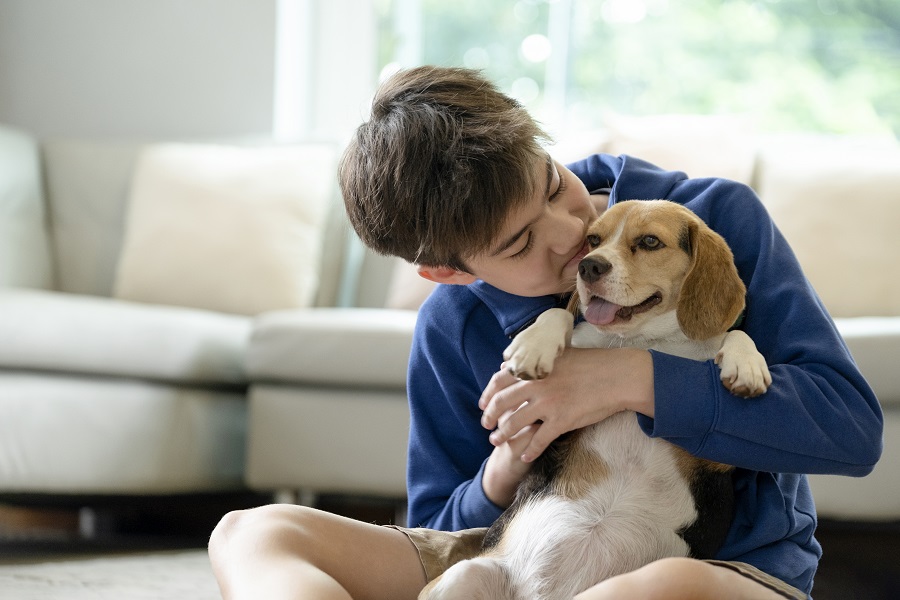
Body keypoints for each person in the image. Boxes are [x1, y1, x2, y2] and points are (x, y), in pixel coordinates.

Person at [208, 66, 883, 600]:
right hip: (515, 554)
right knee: (249, 531)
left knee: (662, 591)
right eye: (522, 241)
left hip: (713, 567)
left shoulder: (714, 217)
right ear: (449, 271)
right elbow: (441, 527)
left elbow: (851, 431)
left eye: (554, 185)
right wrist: (507, 462)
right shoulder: (451, 325)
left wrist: (629, 380)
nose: (571, 239)